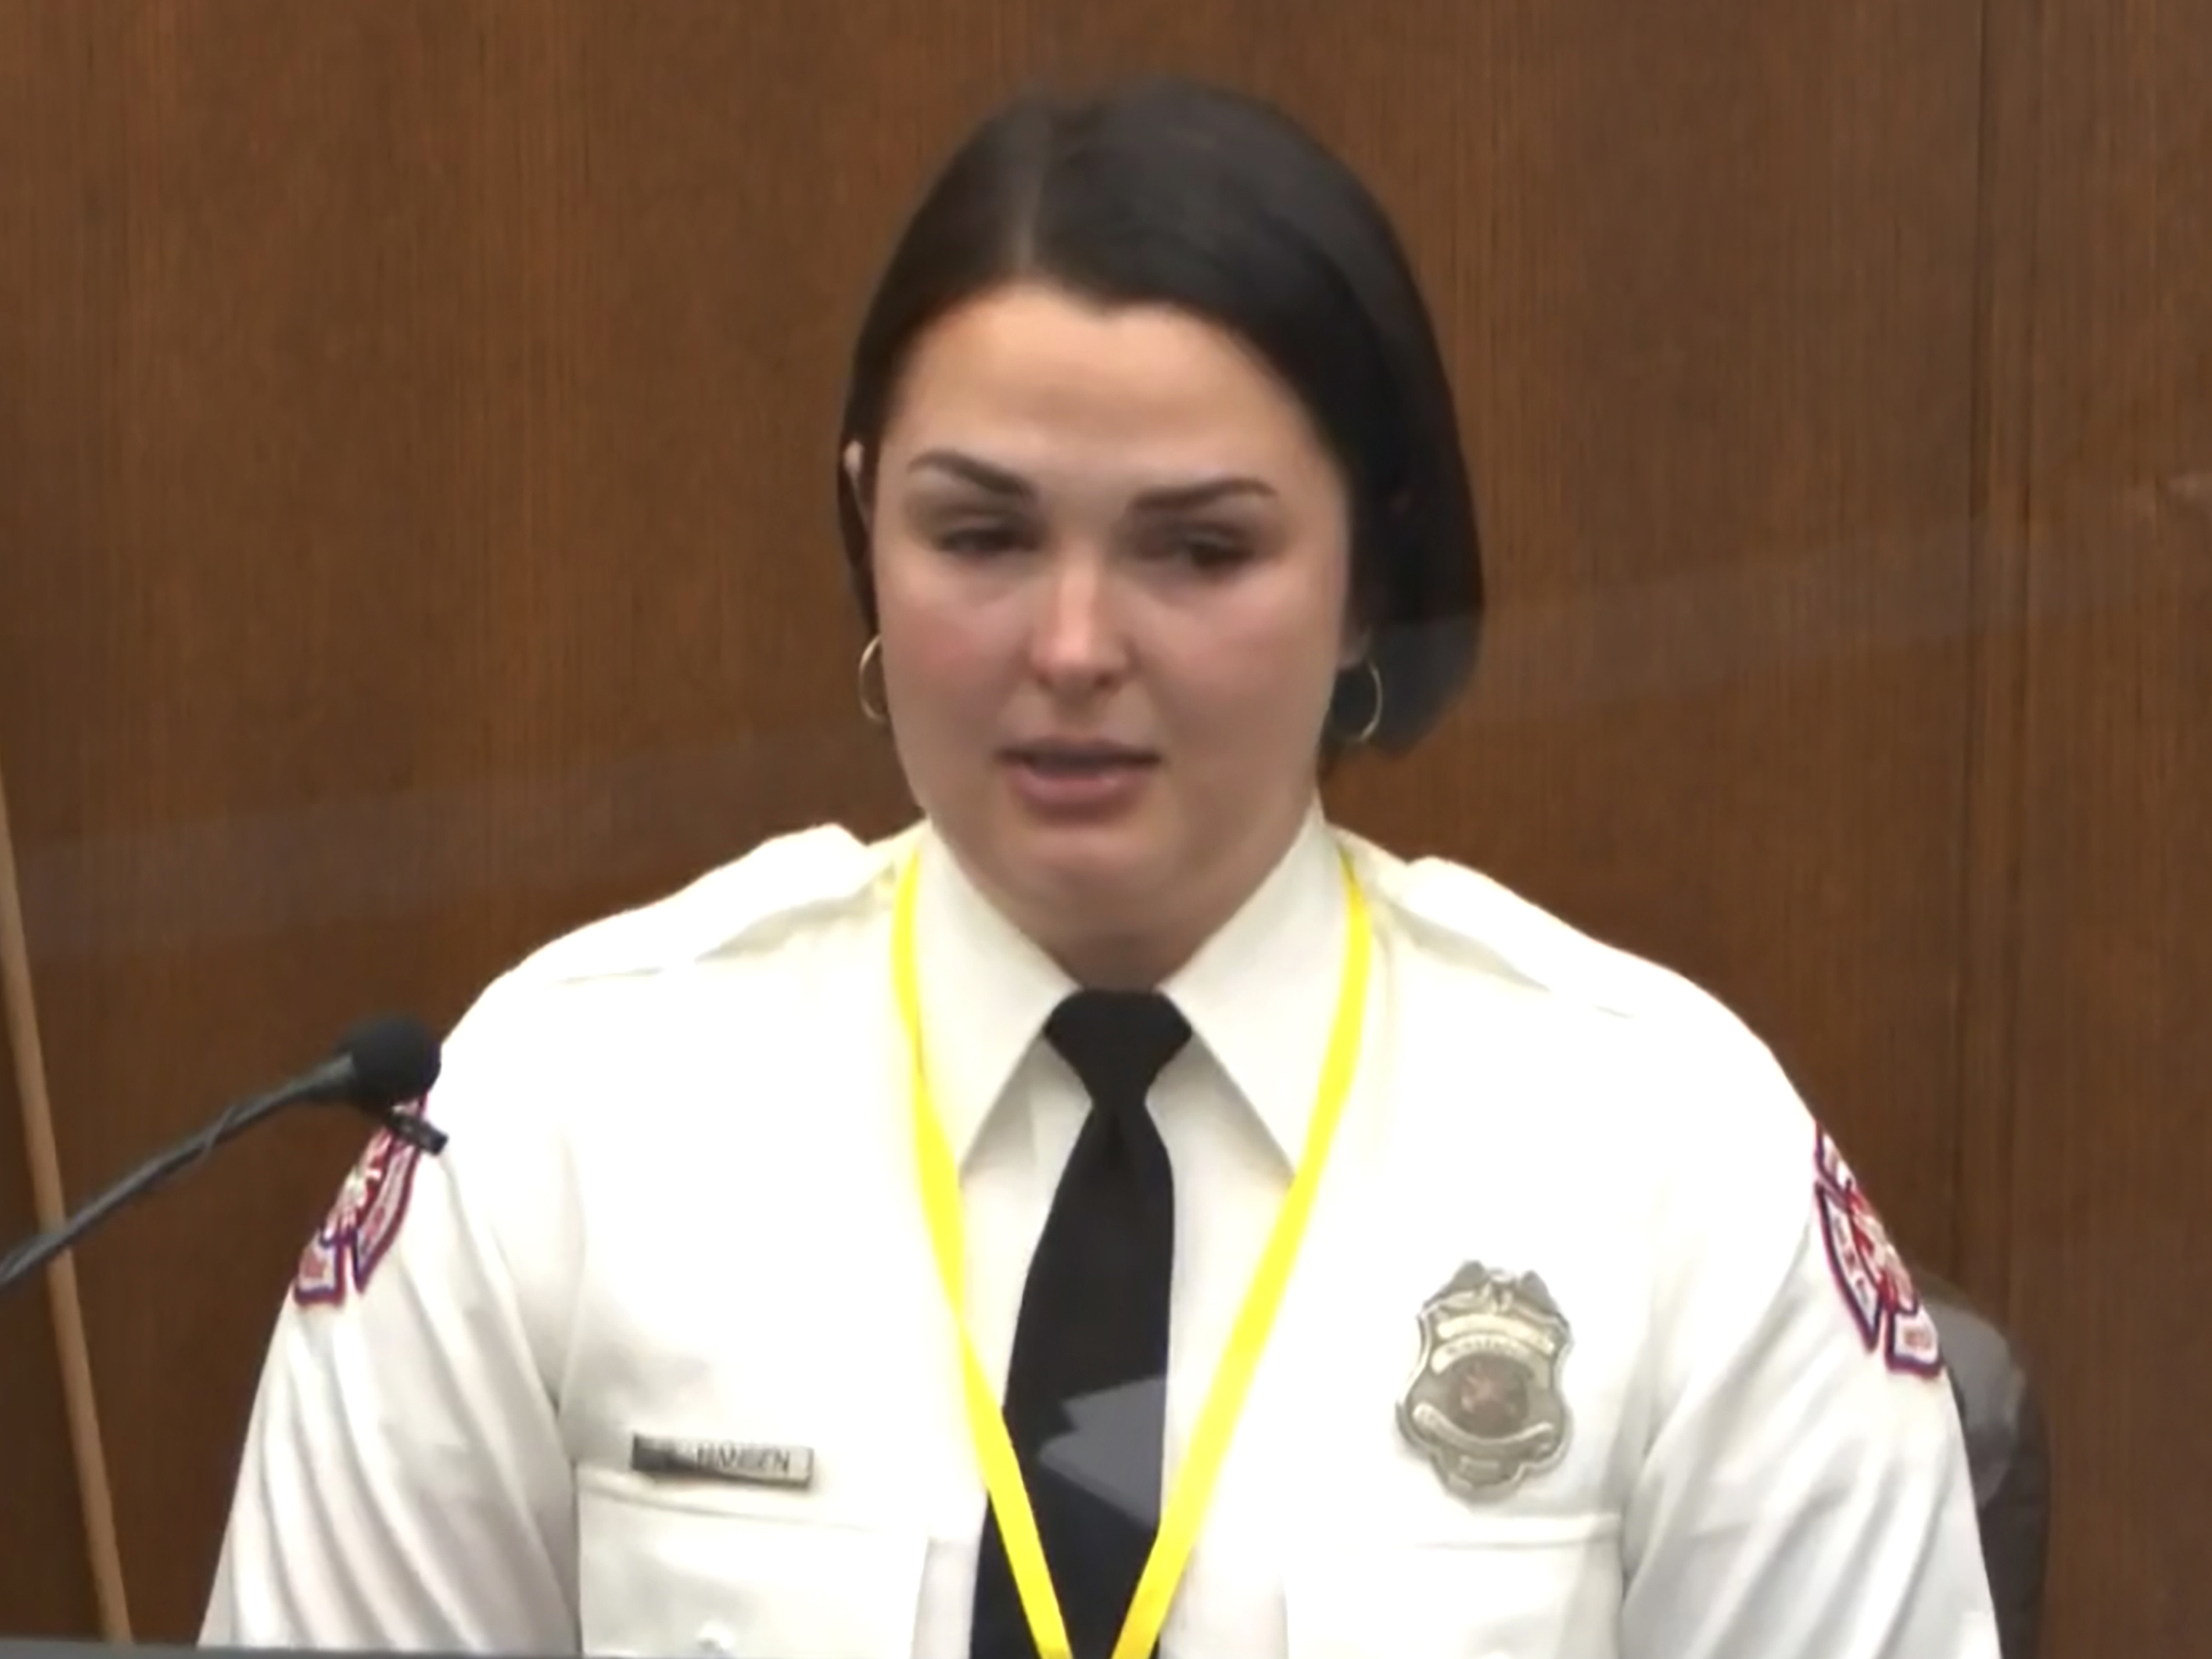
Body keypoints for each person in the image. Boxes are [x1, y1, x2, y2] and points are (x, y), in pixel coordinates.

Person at [199, 73, 2001, 1659]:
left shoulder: (1665, 1159)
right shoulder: (557, 1121)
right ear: (863, 529)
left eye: (1197, 551)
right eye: (978, 533)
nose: (1068, 645)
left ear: (1368, 576)